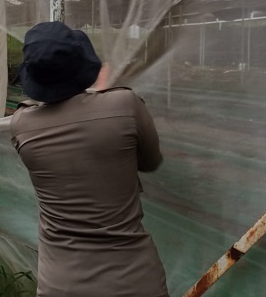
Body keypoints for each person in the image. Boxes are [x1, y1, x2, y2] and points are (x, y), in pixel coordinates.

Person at [9, 21, 168, 297]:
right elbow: (150, 161)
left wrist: (96, 96)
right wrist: (101, 93)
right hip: (133, 279)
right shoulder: (125, 105)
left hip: (61, 283)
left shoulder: (21, 124)